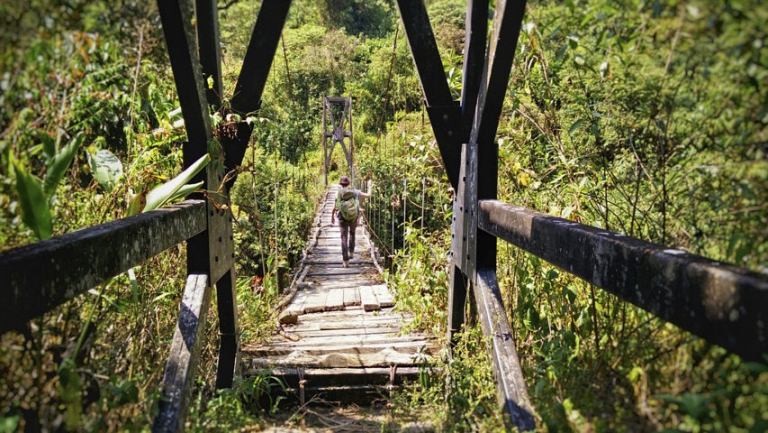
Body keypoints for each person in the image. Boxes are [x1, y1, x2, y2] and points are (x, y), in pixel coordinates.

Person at [330, 175, 371, 267]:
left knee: (344, 238)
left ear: (341, 184)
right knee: (352, 233)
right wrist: (370, 186)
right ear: (348, 183)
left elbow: (334, 207)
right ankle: (351, 252)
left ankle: (345, 261)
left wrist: (332, 217)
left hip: (342, 218)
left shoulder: (338, 193)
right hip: (353, 217)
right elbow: (368, 195)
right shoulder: (355, 192)